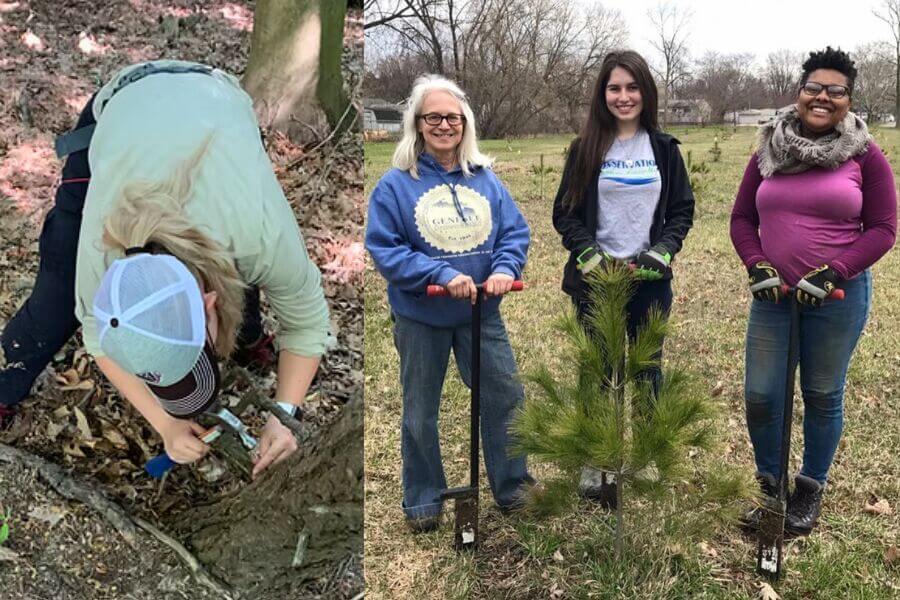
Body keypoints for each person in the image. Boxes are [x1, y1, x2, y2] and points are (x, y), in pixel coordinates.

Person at [0, 60, 334, 479]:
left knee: (245, 275)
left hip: (215, 102)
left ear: (209, 300)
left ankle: (248, 336)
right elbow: (96, 334)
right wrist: (165, 424)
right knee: (53, 306)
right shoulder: (102, 255)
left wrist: (284, 414)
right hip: (122, 107)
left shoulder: (258, 233)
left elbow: (306, 321)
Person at [730, 47, 896, 536]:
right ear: (799, 92)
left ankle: (809, 488)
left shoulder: (865, 156)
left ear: (849, 100)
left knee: (822, 394)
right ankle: (770, 488)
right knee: (761, 396)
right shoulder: (768, 150)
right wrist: (755, 262)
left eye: (836, 90)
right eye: (814, 88)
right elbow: (742, 217)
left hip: (836, 299)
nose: (823, 97)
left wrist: (835, 271)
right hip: (774, 299)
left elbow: (884, 227)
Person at [365, 74, 533, 531]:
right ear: (417, 124)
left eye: (452, 117)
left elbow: (514, 232)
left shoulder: (486, 180)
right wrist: (439, 273)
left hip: (481, 313)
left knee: (504, 397)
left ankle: (514, 486)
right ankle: (422, 499)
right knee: (421, 410)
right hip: (422, 316)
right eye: (434, 117)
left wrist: (504, 269)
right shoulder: (395, 186)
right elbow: (386, 249)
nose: (444, 125)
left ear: (465, 124)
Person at [551, 50, 695, 508]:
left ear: (645, 93)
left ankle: (649, 456)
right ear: (603, 94)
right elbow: (565, 214)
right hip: (598, 280)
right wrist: (587, 252)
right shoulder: (586, 148)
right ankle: (596, 459)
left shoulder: (664, 149)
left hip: (648, 279)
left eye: (632, 87)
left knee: (647, 368)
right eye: (615, 88)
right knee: (597, 369)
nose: (624, 96)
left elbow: (681, 211)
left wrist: (663, 250)